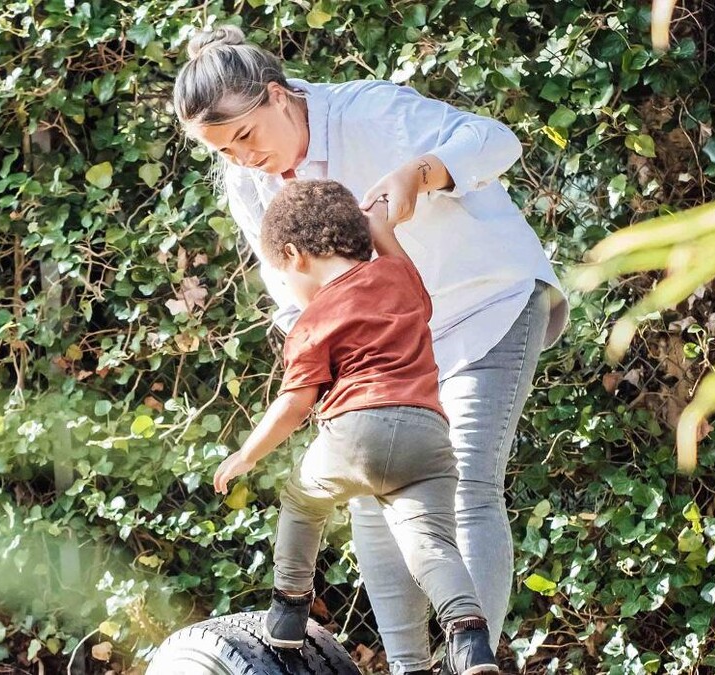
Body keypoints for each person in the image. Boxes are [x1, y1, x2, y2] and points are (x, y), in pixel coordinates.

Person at [175, 25, 568, 675]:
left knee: (462, 481)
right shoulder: (249, 184)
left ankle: (471, 661)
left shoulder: (367, 112)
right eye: (222, 151)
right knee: (373, 496)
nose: (241, 158)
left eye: (245, 136)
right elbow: (292, 289)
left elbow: (495, 139)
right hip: (387, 346)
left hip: (485, 302)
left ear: (278, 96)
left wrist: (424, 170)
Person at [212, 180, 498, 675]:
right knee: (431, 544)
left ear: (293, 255)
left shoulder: (314, 318)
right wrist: (379, 225)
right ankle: (469, 636)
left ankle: (289, 608)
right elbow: (387, 243)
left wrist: (249, 454)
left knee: (303, 500)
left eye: (283, 275)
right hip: (427, 438)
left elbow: (295, 402)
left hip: (355, 434)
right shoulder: (400, 279)